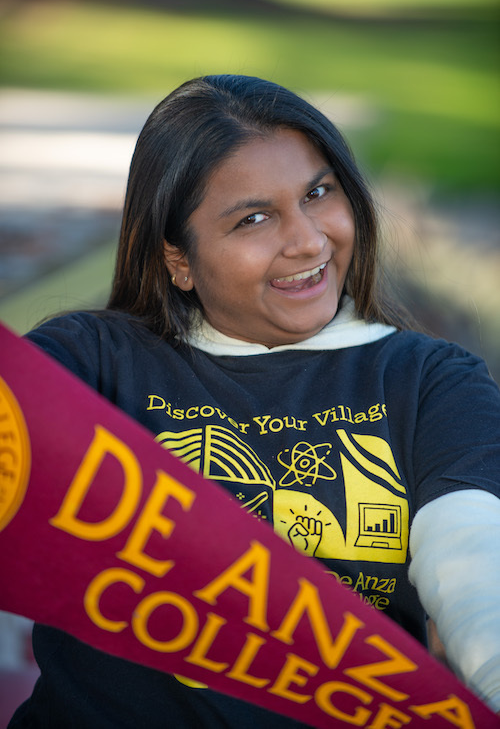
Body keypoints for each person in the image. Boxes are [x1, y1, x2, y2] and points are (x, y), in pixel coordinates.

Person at [8, 74, 500, 727]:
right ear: (177, 259)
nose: (307, 240)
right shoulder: (91, 360)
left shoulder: (427, 379)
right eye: (254, 218)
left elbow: (473, 558)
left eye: (318, 193)